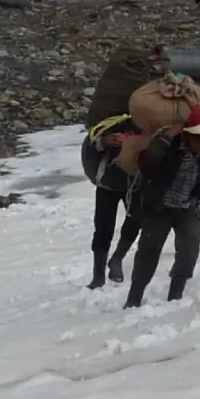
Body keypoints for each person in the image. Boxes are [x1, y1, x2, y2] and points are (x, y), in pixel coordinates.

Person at [122, 106, 200, 308]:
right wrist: (165, 138)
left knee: (190, 249)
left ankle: (175, 295)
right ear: (186, 134)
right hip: (159, 207)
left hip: (188, 206)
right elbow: (147, 164)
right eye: (197, 138)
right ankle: (134, 297)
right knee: (148, 251)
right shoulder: (169, 145)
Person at [85, 114, 143, 291]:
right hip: (108, 184)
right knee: (103, 228)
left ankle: (117, 259)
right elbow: (91, 143)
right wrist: (105, 141)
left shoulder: (145, 117)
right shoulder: (110, 117)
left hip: (134, 183)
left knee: (135, 222)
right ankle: (98, 276)